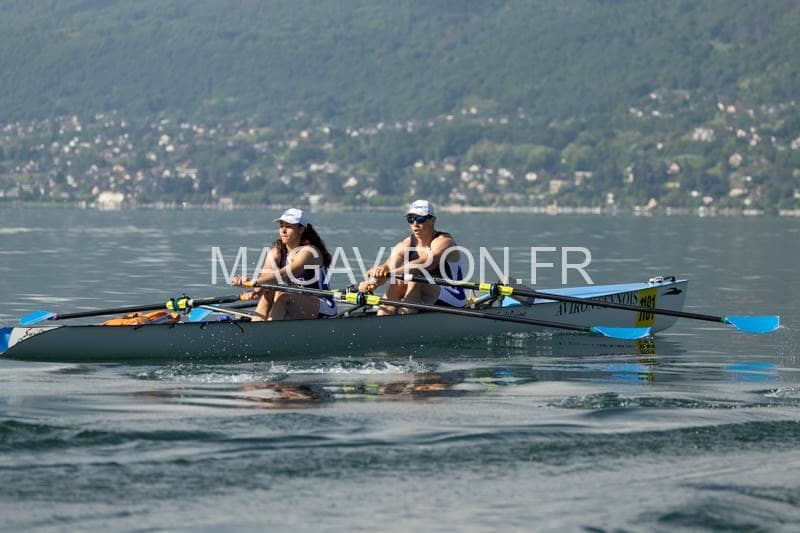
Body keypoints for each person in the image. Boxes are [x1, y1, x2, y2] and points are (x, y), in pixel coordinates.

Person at [358, 200, 466, 315]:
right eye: (410, 219)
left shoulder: (444, 241)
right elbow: (388, 267)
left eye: (420, 219)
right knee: (398, 281)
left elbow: (425, 262)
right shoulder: (406, 244)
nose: (415, 224)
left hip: (454, 296)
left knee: (413, 275)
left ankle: (405, 316)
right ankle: (383, 317)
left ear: (432, 220)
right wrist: (372, 284)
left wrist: (391, 273)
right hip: (427, 295)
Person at [232, 208, 337, 321]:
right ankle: (257, 326)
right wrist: (254, 289)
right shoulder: (275, 253)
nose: (283, 231)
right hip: (295, 301)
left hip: (323, 305)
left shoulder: (309, 252)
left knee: (282, 293)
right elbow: (264, 283)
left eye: (288, 226)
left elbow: (285, 274)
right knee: (268, 292)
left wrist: (255, 281)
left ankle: (271, 328)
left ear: (301, 229)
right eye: (281, 226)